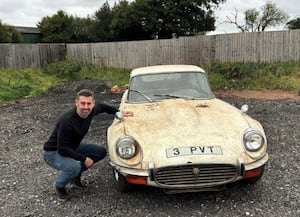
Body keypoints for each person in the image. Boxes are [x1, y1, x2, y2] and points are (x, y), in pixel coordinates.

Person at [43, 89, 118, 201]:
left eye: (89, 103)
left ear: (93, 103)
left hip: (71, 146)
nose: (86, 107)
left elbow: (102, 107)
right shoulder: (67, 121)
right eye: (82, 103)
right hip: (54, 152)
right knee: (74, 167)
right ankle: (60, 186)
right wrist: (84, 159)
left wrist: (118, 112)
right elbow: (62, 149)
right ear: (76, 103)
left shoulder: (91, 110)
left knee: (100, 151)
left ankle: (75, 176)